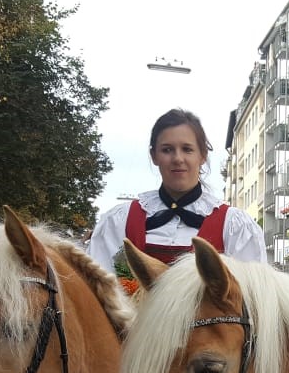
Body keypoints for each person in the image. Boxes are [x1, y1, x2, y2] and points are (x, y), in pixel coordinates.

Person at [87, 109, 266, 270]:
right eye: (167, 150)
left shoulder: (234, 226)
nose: (177, 158)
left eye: (187, 149)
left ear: (202, 156)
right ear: (154, 156)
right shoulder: (119, 220)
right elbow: (98, 289)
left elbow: (251, 298)